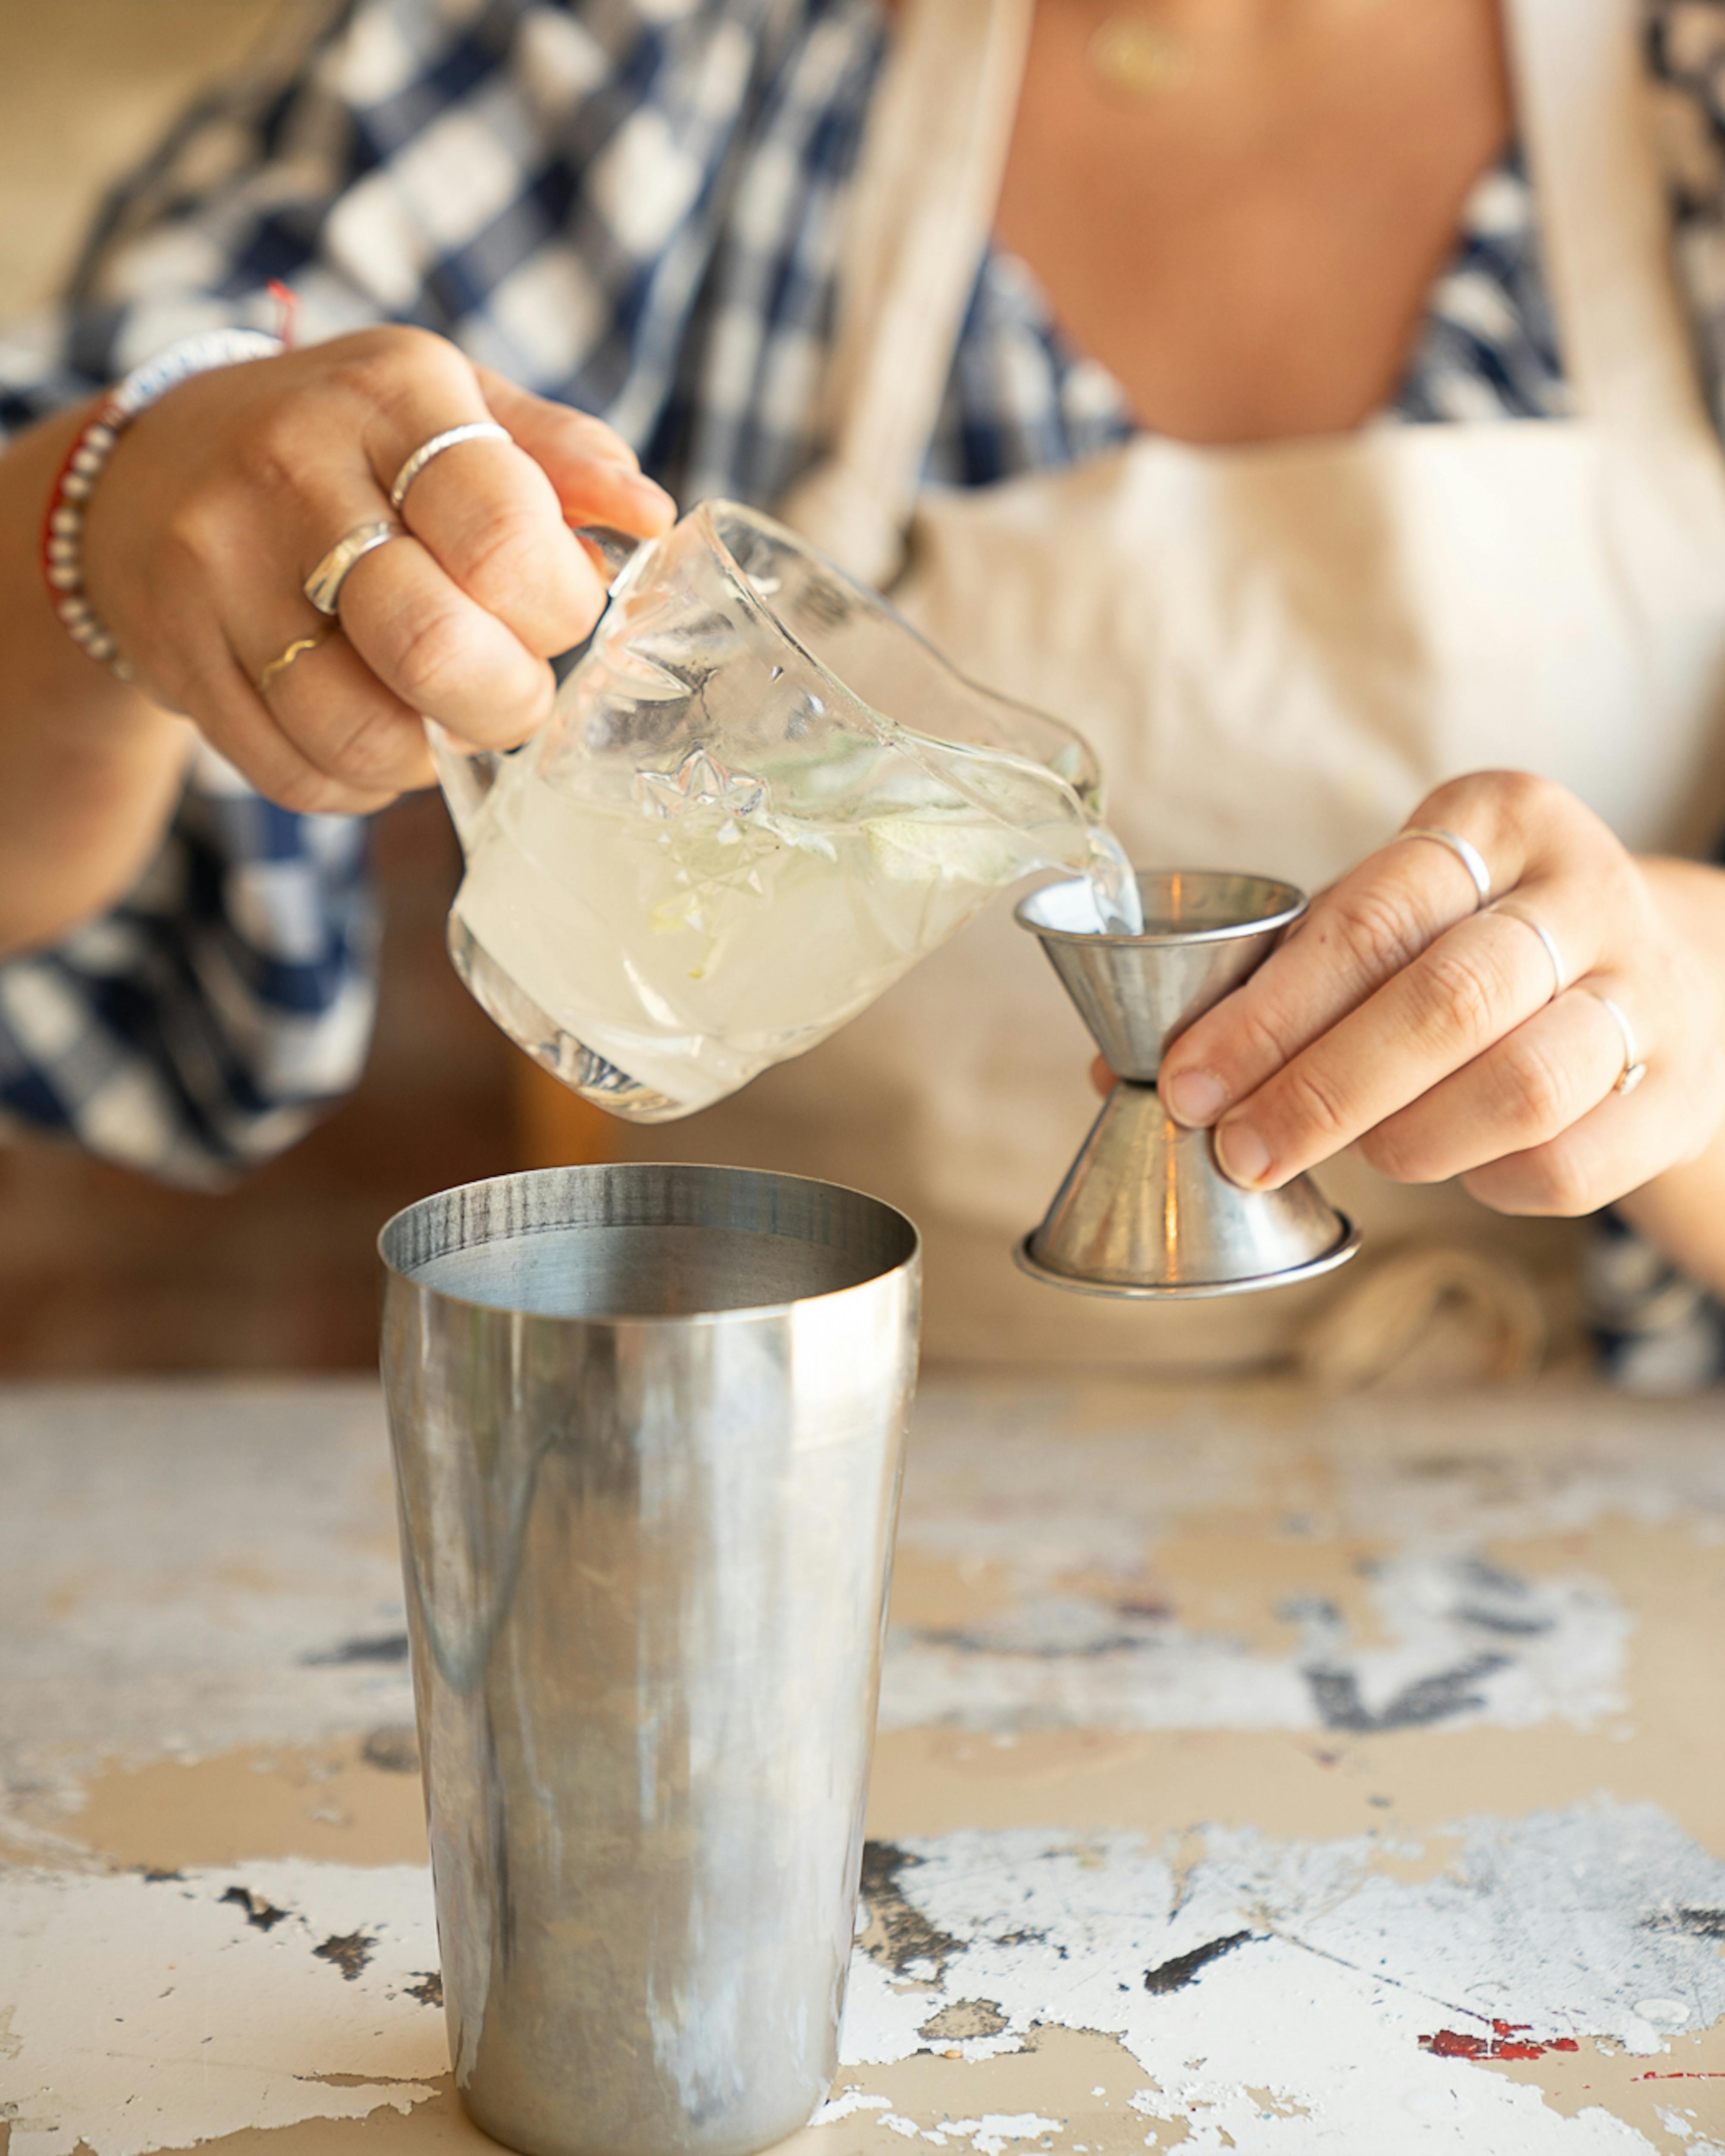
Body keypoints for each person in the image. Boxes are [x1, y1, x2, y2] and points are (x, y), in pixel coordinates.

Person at [3, 0, 1725, 1379]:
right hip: (797, 1502)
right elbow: (166, 514)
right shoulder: (642, 48)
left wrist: (1686, 1000)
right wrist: (112, 512)